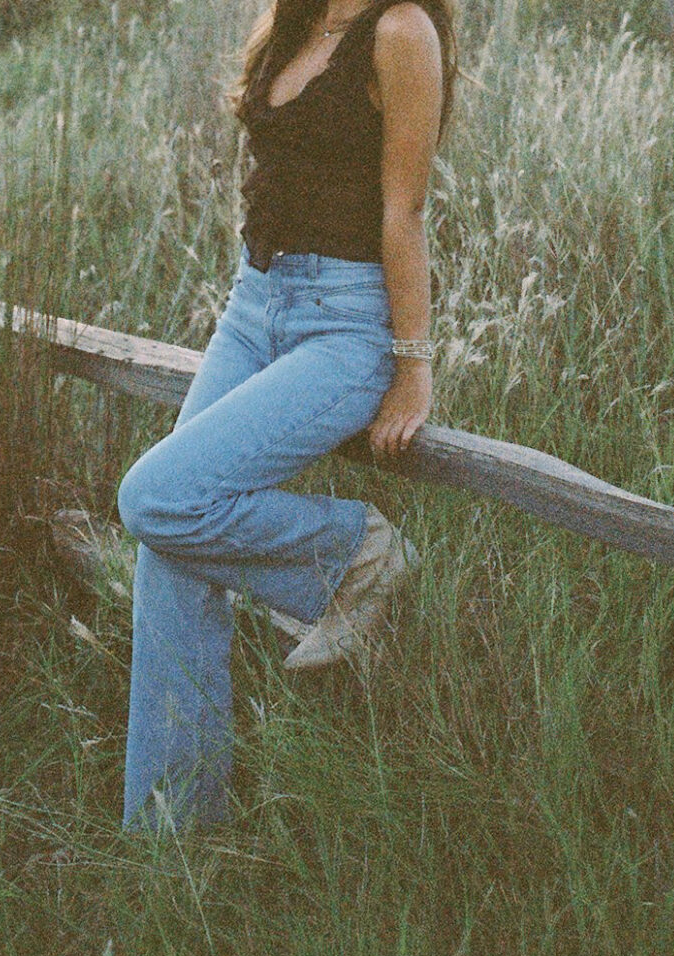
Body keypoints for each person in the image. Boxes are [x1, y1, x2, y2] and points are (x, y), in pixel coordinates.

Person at [116, 0, 459, 834]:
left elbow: (404, 211)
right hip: (252, 306)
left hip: (343, 326)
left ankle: (359, 552)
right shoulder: (295, 19)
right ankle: (175, 842)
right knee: (171, 548)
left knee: (153, 499)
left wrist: (412, 370)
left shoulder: (400, 31)